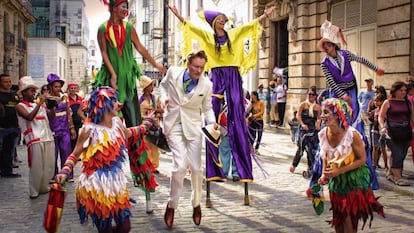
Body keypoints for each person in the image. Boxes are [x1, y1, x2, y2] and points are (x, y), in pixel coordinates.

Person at [168, 4, 276, 184]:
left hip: (233, 73)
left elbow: (248, 27)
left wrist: (264, 16)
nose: (222, 20)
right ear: (213, 23)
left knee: (237, 113)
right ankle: (215, 168)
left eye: (223, 18)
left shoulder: (232, 35)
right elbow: (192, 28)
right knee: (213, 114)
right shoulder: (208, 37)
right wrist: (179, 16)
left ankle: (241, 167)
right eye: (218, 18)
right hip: (217, 74)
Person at [55, 86, 155, 233]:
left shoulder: (117, 123)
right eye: (113, 100)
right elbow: (75, 154)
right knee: (105, 229)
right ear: (104, 104)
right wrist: (64, 171)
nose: (118, 104)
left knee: (125, 227)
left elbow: (128, 133)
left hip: (116, 183)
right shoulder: (88, 130)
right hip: (97, 186)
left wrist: (147, 124)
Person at [317, 20, 384, 189]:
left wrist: (376, 69)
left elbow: (362, 60)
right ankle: (327, 169)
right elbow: (332, 83)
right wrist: (342, 96)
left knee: (353, 125)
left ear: (333, 45)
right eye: (323, 46)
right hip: (338, 94)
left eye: (327, 45)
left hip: (352, 91)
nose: (325, 48)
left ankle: (360, 166)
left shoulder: (346, 55)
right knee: (336, 122)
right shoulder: (324, 64)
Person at [159, 50, 216, 229]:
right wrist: (163, 98)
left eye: (202, 67)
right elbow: (163, 86)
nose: (199, 71)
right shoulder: (173, 72)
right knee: (180, 166)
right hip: (173, 124)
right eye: (196, 66)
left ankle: (196, 203)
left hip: (194, 127)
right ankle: (171, 205)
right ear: (188, 64)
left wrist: (212, 123)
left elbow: (207, 108)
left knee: (197, 169)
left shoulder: (207, 85)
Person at [93, 0, 166, 128]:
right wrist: (113, 75)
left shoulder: (129, 27)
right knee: (109, 122)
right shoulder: (102, 29)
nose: (126, 9)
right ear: (114, 8)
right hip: (110, 82)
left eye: (127, 6)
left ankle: (136, 146)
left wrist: (156, 64)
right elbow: (104, 53)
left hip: (128, 82)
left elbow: (141, 48)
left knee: (134, 120)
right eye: (123, 6)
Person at [317, 98, 384, 232]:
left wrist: (339, 171)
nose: (322, 116)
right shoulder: (323, 134)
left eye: (326, 112)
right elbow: (325, 155)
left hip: (354, 179)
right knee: (338, 216)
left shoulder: (351, 135)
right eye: (321, 112)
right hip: (336, 181)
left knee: (348, 216)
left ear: (338, 114)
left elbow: (362, 159)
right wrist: (325, 174)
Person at [15, 76, 55, 199]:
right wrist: (39, 103)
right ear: (24, 92)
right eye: (31, 90)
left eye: (34, 90)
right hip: (34, 138)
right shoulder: (20, 106)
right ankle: (34, 190)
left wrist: (51, 105)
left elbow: (51, 116)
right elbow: (29, 117)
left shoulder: (39, 104)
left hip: (47, 137)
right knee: (36, 166)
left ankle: (44, 187)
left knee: (48, 165)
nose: (33, 93)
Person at [379, 81, 413, 186]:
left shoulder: (408, 102)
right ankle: (398, 178)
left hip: (405, 131)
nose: (403, 92)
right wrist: (382, 127)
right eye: (401, 90)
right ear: (395, 91)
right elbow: (381, 116)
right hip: (392, 131)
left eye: (405, 90)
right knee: (397, 153)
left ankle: (391, 173)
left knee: (402, 154)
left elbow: (412, 117)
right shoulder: (388, 102)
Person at [47, 73, 76, 182]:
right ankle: (54, 174)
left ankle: (68, 174)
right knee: (53, 154)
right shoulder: (46, 99)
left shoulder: (64, 97)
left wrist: (72, 127)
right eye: (56, 86)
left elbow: (68, 113)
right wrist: (51, 105)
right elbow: (49, 114)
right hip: (52, 129)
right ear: (50, 87)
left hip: (64, 129)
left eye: (59, 86)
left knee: (66, 150)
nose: (58, 89)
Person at [289, 87, 321, 175]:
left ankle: (311, 168)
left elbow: (318, 118)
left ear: (315, 96)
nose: (311, 96)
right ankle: (294, 164)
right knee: (302, 147)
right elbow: (298, 116)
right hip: (304, 129)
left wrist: (318, 124)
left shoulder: (318, 107)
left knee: (310, 149)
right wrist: (302, 124)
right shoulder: (303, 105)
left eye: (313, 94)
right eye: (309, 94)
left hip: (312, 129)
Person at [139, 75, 163, 173]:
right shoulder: (140, 100)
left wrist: (154, 111)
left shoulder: (155, 98)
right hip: (144, 125)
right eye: (151, 85)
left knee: (155, 147)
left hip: (155, 125)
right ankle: (147, 166)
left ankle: (154, 166)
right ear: (146, 87)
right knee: (146, 146)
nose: (152, 87)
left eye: (153, 85)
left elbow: (161, 110)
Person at [0, 73, 21, 178]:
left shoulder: (14, 94)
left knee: (10, 150)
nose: (8, 83)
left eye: (9, 81)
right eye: (5, 82)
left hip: (14, 126)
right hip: (2, 127)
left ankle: (7, 170)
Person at [370, 93, 388, 171]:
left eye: (378, 101)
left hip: (382, 131)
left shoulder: (385, 110)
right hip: (375, 130)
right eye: (375, 101)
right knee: (375, 147)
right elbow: (370, 119)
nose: (376, 103)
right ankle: (374, 164)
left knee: (383, 148)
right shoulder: (375, 111)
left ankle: (386, 165)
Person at [246, 91, 265, 155]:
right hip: (252, 121)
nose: (251, 97)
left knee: (259, 135)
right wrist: (251, 103)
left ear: (255, 96)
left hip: (259, 121)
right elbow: (247, 111)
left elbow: (262, 112)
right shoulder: (251, 103)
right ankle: (251, 148)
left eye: (252, 95)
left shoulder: (261, 103)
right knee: (252, 135)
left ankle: (257, 148)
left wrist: (254, 115)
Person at [67, 82, 83, 150]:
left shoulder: (80, 98)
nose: (73, 90)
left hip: (79, 122)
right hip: (71, 122)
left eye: (74, 88)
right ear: (68, 89)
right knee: (72, 138)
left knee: (79, 138)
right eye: (71, 88)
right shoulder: (66, 99)